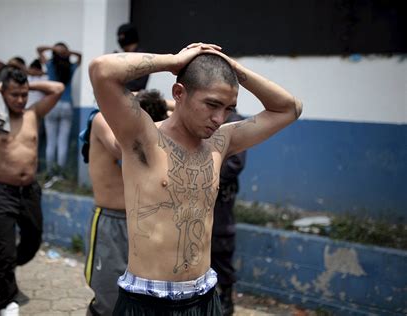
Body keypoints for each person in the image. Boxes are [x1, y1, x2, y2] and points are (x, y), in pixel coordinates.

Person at [89, 43, 302, 315]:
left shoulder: (221, 142)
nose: (218, 118)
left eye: (228, 108)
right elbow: (101, 70)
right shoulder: (143, 137)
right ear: (179, 93)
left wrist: (231, 66)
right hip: (147, 301)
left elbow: (289, 108)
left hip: (203, 298)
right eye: (212, 104)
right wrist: (173, 62)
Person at [0, 68, 64, 316]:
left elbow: (57, 88)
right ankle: (7, 300)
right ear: (4, 93)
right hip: (0, 192)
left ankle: (6, 264)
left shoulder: (33, 113)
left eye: (24, 94)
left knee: (33, 239)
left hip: (29, 191)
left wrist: (30, 85)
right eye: (14, 95)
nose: (20, 100)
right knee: (3, 249)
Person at [80, 89, 168, 316]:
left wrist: (168, 105)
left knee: (143, 300)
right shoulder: (102, 119)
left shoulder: (150, 126)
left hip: (146, 222)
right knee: (108, 301)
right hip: (111, 222)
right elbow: (122, 147)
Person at [210, 111, 247, 316]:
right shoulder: (210, 116)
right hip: (203, 196)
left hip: (220, 198)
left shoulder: (234, 122)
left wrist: (209, 180)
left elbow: (235, 164)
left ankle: (226, 298)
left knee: (221, 243)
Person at [37, 43, 81, 185]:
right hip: (67, 105)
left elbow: (39, 49)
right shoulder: (71, 67)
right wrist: (67, 52)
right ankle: (60, 175)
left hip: (51, 104)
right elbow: (80, 56)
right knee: (63, 142)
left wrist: (54, 49)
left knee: (51, 142)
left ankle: (50, 174)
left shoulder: (50, 65)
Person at [116, 23, 149, 92]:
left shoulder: (141, 57)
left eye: (121, 37)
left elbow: (138, 84)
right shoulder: (126, 56)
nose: (119, 40)